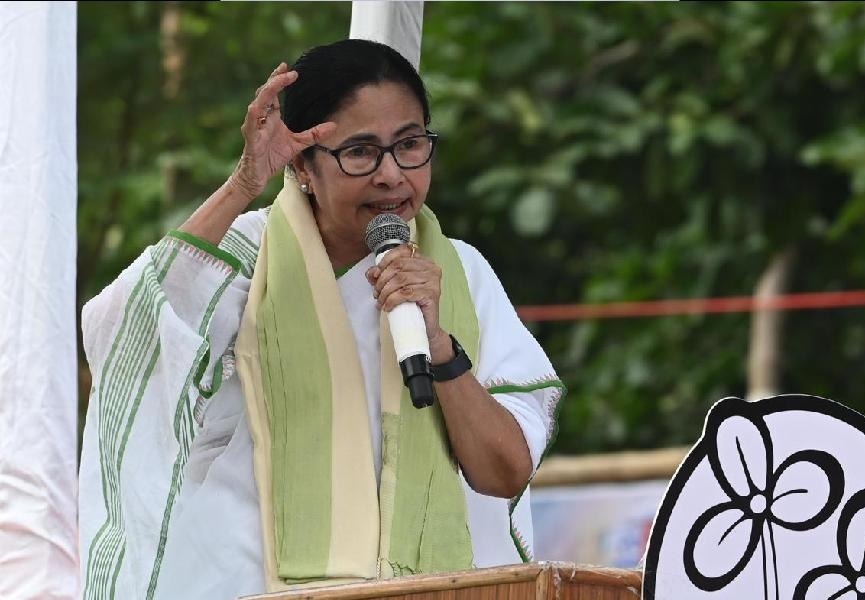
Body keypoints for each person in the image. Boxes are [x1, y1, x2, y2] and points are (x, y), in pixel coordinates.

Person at [78, 39, 564, 600]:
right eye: (360, 152)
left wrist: (438, 344)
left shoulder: (460, 273)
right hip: (246, 581)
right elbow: (129, 332)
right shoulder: (244, 257)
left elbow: (503, 473)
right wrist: (243, 185)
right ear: (303, 164)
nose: (391, 174)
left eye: (409, 144)